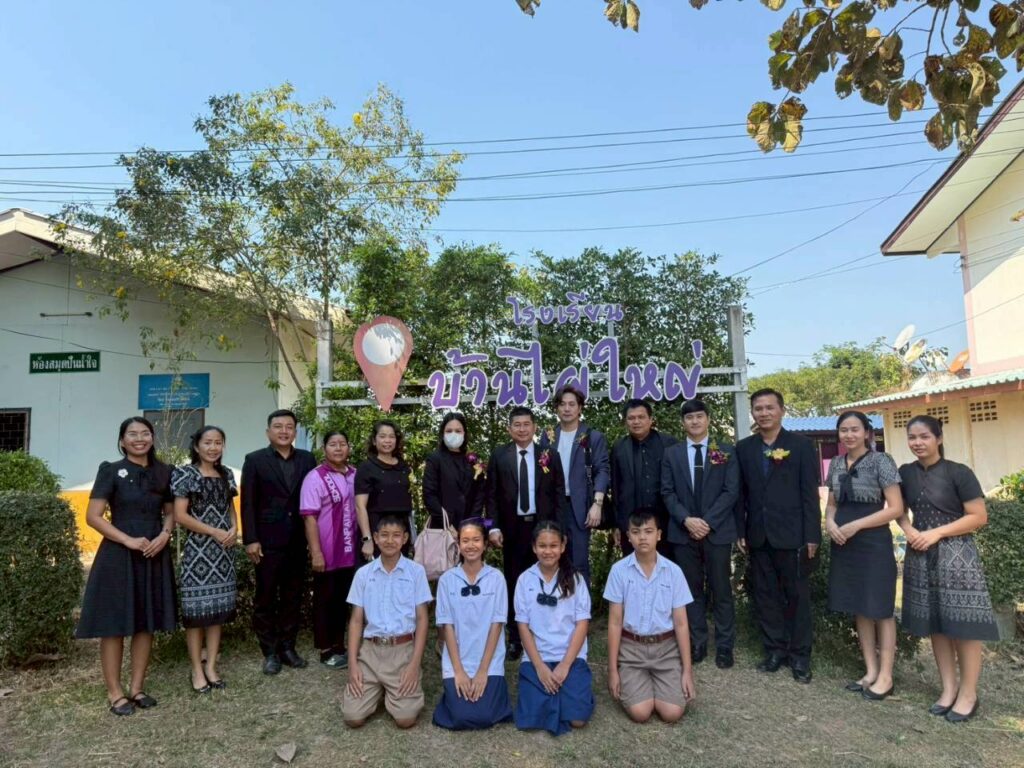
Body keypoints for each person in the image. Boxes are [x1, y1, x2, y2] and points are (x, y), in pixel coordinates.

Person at [897, 415, 999, 723]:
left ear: (938, 438)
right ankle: (948, 688)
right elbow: (898, 509)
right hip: (920, 553)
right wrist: (908, 530)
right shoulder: (905, 473)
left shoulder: (959, 472)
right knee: (936, 624)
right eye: (912, 437)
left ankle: (968, 694)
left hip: (957, 556)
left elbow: (978, 516)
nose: (917, 442)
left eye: (924, 436)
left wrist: (936, 533)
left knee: (965, 625)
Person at [76, 417, 177, 716]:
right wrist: (128, 540)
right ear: (122, 441)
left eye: (145, 433)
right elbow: (93, 516)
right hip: (118, 554)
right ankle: (115, 692)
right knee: (115, 624)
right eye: (132, 434)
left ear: (152, 438)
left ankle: (137, 688)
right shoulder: (110, 470)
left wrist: (164, 535)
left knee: (146, 622)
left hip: (154, 552)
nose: (139, 438)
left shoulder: (165, 472)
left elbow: (170, 512)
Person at [734, 388, 820, 683]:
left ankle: (800, 656)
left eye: (770, 407)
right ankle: (774, 651)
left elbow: (809, 495)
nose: (764, 413)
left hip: (793, 535)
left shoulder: (801, 445)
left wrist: (812, 536)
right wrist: (741, 530)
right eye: (758, 408)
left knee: (797, 598)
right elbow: (741, 494)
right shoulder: (744, 448)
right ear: (753, 413)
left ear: (782, 410)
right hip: (758, 535)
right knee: (766, 596)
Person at [824, 411, 903, 700]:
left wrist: (857, 525)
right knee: (859, 606)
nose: (849, 435)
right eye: (844, 430)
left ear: (867, 433)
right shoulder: (836, 463)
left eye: (855, 429)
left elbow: (895, 508)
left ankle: (886, 676)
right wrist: (830, 523)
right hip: (844, 542)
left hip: (873, 542)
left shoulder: (882, 461)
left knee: (880, 608)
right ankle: (870, 671)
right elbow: (832, 503)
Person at [486, 406, 569, 661]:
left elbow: (559, 493)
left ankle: (543, 632)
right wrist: (493, 527)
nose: (522, 429)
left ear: (534, 427)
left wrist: (558, 529)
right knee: (514, 581)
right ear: (509, 428)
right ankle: (515, 637)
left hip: (543, 529)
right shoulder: (499, 455)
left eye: (526, 424)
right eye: (517, 425)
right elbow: (491, 495)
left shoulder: (549, 455)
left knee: (545, 581)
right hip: (512, 529)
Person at [661, 398, 740, 669]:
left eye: (699, 416)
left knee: (721, 589)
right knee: (690, 590)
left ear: (707, 419)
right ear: (683, 422)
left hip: (717, 531)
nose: (694, 421)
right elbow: (667, 492)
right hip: (683, 533)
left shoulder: (726, 451)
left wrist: (706, 522)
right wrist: (686, 520)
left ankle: (725, 645)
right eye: (689, 417)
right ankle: (697, 641)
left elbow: (731, 491)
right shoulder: (672, 454)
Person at [241, 409, 317, 675]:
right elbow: (248, 503)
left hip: (297, 539)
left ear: (295, 432)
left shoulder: (307, 459)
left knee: (292, 596)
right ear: (268, 431)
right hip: (267, 541)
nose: (284, 431)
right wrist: (251, 539)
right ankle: (270, 652)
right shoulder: (254, 460)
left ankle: (287, 647)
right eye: (278, 426)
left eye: (289, 427)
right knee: (265, 597)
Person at [604, 509, 696, 723]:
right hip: (631, 650)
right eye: (636, 532)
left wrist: (687, 671)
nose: (642, 537)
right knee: (641, 713)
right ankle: (637, 681)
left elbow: (681, 624)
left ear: (659, 535)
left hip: (666, 650)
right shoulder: (619, 571)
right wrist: (612, 670)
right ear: (628, 536)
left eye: (648, 531)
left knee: (672, 713)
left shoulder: (673, 572)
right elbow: (615, 623)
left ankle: (664, 681)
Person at [343, 515, 432, 729]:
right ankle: (377, 688)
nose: (390, 541)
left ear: (405, 538)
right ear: (375, 538)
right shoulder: (363, 574)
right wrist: (353, 664)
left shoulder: (416, 572)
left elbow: (422, 619)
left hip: (403, 651)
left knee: (405, 718)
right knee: (352, 717)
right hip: (371, 652)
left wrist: (414, 664)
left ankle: (390, 690)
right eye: (384, 535)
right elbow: (356, 621)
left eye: (396, 535)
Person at [172, 425, 238, 693]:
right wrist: (213, 531)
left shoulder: (227, 474)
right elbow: (180, 515)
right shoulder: (185, 474)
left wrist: (234, 528)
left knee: (217, 612)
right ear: (197, 446)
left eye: (218, 442)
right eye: (208, 442)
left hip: (224, 551)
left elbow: (230, 508)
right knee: (196, 612)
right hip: (198, 550)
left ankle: (211, 666)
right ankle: (196, 670)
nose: (213, 447)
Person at [513, 521, 594, 736]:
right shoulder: (525, 580)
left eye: (553, 545)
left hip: (570, 656)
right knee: (532, 719)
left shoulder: (576, 579)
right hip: (537, 656)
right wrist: (539, 666)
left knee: (577, 720)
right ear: (534, 547)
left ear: (563, 546)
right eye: (542, 546)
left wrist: (565, 665)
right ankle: (558, 695)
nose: (548, 551)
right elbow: (523, 626)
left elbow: (582, 624)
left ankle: (569, 693)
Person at [432, 518, 514, 730]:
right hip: (457, 660)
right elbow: (447, 626)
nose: (471, 545)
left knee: (484, 717)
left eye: (476, 540)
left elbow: (497, 625)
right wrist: (459, 671)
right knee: (461, 718)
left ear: (485, 544)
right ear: (458, 545)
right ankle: (451, 696)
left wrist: (482, 671)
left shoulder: (496, 578)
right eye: (465, 540)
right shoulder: (447, 580)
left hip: (488, 661)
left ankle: (495, 694)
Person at [538, 385, 610, 582]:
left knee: (578, 562)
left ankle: (581, 602)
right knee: (552, 560)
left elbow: (603, 470)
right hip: (553, 507)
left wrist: (597, 504)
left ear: (580, 408)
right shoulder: (548, 435)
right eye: (562, 404)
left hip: (579, 507)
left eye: (572, 404)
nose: (567, 409)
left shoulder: (593, 436)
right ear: (556, 408)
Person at [300, 430, 358, 669]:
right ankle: (326, 650)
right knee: (325, 600)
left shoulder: (355, 474)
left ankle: (340, 645)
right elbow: (309, 517)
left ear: (348, 448)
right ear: (324, 449)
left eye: (342, 444)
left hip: (351, 552)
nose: (338, 448)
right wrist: (316, 552)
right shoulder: (315, 477)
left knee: (345, 600)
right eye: (333, 444)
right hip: (327, 552)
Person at [610, 398, 677, 556]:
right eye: (631, 418)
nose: (636, 422)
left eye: (641, 417)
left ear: (650, 419)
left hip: (665, 523)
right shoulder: (619, 447)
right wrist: (617, 525)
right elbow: (615, 487)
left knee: (666, 566)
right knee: (633, 567)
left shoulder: (669, 444)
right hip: (631, 525)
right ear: (625, 421)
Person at [355, 420, 414, 560]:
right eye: (382, 436)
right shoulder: (366, 468)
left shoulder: (404, 467)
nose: (387, 440)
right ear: (374, 441)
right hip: (377, 532)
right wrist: (367, 539)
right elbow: (360, 506)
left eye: (391, 436)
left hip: (401, 532)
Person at [422, 412, 486, 531]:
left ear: (464, 433)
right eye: (449, 431)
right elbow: (429, 495)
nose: (453, 434)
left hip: (469, 530)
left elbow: (479, 494)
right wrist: (448, 526)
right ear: (442, 433)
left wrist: (471, 524)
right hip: (443, 528)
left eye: (458, 431)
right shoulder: (435, 459)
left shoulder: (472, 460)